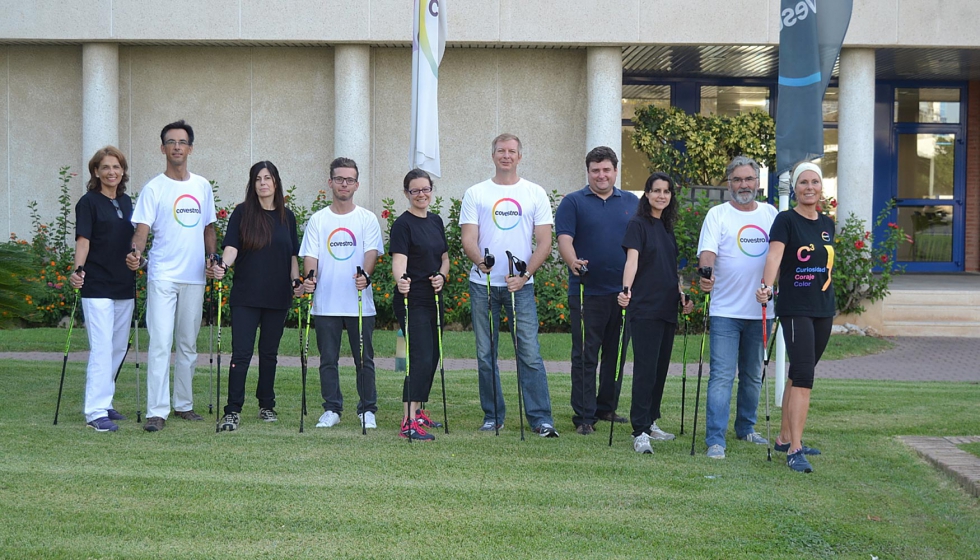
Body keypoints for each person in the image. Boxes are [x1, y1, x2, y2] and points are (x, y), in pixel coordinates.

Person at [460, 133, 559, 437]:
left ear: (519, 156)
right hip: (483, 285)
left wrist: (525, 274)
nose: (506, 155)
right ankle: (493, 416)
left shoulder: (534, 193)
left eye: (511, 151)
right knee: (486, 353)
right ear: (493, 156)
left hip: (521, 287)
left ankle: (541, 418)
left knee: (529, 352)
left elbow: (544, 242)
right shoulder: (476, 193)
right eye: (501, 151)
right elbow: (468, 239)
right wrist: (481, 262)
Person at [128, 120, 217, 433]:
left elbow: (209, 228)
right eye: (171, 142)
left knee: (188, 344)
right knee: (160, 344)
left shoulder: (203, 187)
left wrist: (212, 258)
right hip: (163, 275)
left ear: (190, 148)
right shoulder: (154, 188)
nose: (177, 146)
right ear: (163, 148)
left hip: (194, 277)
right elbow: (141, 231)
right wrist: (136, 253)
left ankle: (183, 404)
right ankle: (156, 411)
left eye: (182, 142)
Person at [697, 155, 779, 459]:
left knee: (752, 374)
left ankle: (746, 427)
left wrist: (772, 289)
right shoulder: (717, 214)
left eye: (748, 179)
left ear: (757, 182)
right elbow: (707, 253)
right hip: (724, 311)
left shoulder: (771, 214)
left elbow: (779, 256)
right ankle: (715, 439)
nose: (743, 185)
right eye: (737, 180)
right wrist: (706, 274)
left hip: (761, 311)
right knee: (721, 376)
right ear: (728, 183)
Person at [756, 162, 834, 473]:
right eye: (804, 182)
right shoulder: (785, 220)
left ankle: (785, 437)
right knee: (804, 376)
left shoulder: (827, 223)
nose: (809, 187)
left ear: (821, 188)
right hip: (794, 307)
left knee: (798, 374)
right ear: (795, 188)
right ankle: (795, 450)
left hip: (823, 307)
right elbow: (774, 256)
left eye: (815, 182)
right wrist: (766, 286)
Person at [212, 161, 302, 432]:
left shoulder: (288, 216)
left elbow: (293, 256)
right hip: (246, 296)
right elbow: (231, 248)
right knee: (241, 353)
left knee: (269, 353)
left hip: (278, 295)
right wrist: (223, 266)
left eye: (268, 178)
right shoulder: (242, 213)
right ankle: (233, 410)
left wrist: (296, 281)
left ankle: (267, 404)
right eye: (258, 178)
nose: (263, 183)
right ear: (252, 184)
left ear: (276, 182)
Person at [555, 146, 638, 435]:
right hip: (586, 292)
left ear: (615, 171)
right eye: (595, 170)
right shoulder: (573, 202)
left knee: (615, 355)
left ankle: (606, 407)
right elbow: (564, 239)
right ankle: (584, 416)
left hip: (623, 293)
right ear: (588, 172)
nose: (601, 175)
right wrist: (572, 260)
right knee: (586, 355)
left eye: (606, 170)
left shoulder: (631, 202)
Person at [300, 157, 384, 430]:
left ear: (356, 184)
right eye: (339, 179)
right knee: (327, 361)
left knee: (364, 361)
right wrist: (310, 279)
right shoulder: (318, 219)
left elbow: (371, 252)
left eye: (349, 180)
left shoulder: (367, 219)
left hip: (359, 304)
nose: (344, 184)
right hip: (326, 303)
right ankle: (332, 408)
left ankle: (367, 409)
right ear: (330, 182)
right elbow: (310, 256)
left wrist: (366, 276)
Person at [618, 172, 694, 454]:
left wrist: (681, 295)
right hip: (645, 308)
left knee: (660, 370)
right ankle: (639, 430)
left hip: (667, 307)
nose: (661, 195)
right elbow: (632, 261)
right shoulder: (638, 224)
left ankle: (651, 421)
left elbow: (669, 269)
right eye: (656, 190)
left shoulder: (667, 228)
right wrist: (625, 290)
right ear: (647, 194)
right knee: (645, 371)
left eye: (666, 191)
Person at [70, 146, 136, 432]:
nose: (112, 172)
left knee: (118, 347)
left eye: (116, 167)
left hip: (124, 283)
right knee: (102, 347)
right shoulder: (88, 202)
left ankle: (105, 401)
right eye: (106, 167)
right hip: (96, 283)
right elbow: (83, 240)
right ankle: (95, 411)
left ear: (122, 171)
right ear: (96, 172)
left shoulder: (127, 201)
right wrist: (77, 270)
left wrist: (139, 258)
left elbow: (135, 239)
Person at [390, 168, 450, 441]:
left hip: (433, 298)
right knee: (417, 358)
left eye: (425, 189)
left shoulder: (436, 221)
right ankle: (408, 421)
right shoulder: (403, 224)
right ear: (406, 193)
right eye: (415, 190)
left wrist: (442, 275)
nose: (421, 194)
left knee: (433, 357)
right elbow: (399, 262)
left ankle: (418, 409)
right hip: (411, 300)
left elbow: (444, 258)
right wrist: (401, 280)